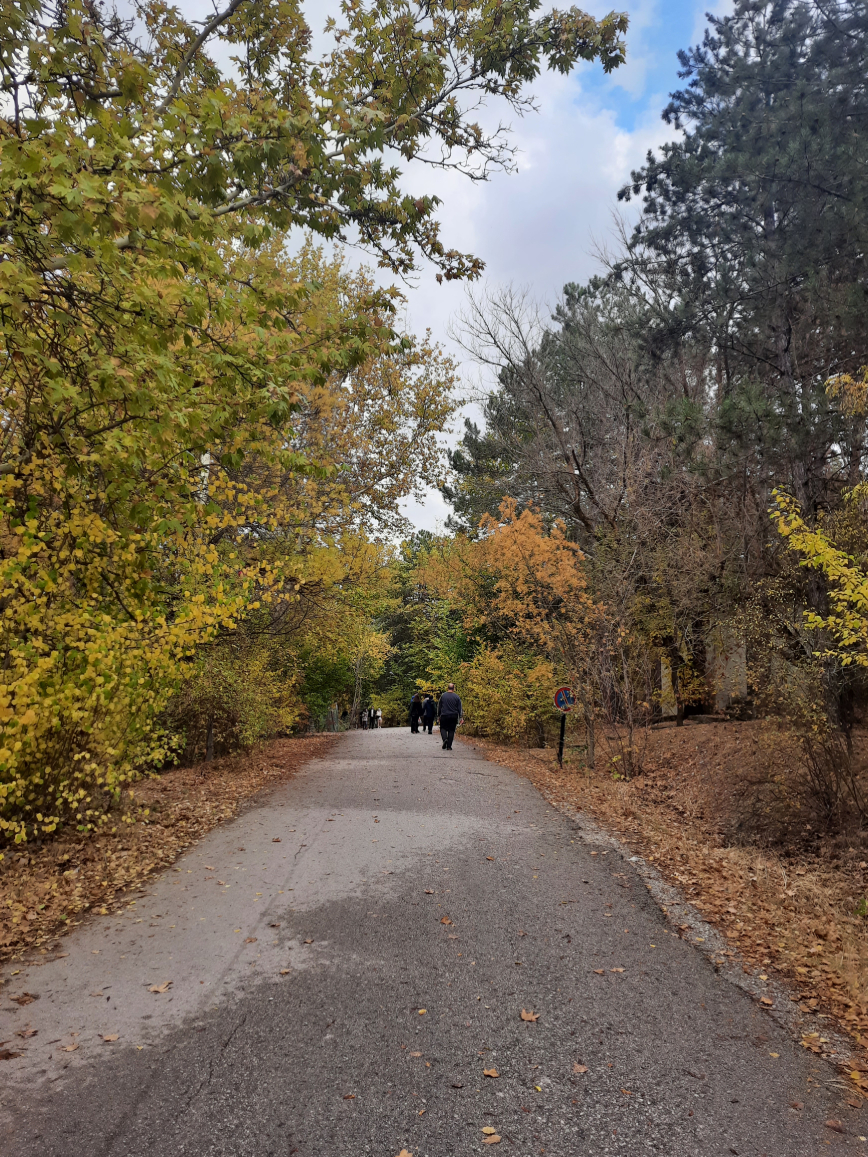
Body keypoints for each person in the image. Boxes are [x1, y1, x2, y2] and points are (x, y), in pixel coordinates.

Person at [437, 683, 463, 750]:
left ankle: (445, 739)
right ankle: (449, 746)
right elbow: (460, 708)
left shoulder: (443, 696)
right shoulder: (457, 697)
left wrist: (438, 716)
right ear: (453, 688)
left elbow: (439, 707)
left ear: (447, 688)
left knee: (443, 728)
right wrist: (461, 717)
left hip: (444, 715)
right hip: (453, 716)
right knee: (451, 730)